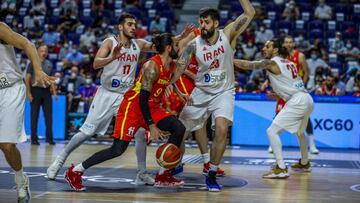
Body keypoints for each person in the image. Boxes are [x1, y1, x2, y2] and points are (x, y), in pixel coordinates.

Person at [64, 33, 187, 191]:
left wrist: (193, 36)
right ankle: (75, 171)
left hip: (152, 107)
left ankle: (163, 175)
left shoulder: (170, 65)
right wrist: (151, 125)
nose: (179, 48)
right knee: (117, 149)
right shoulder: (152, 67)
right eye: (176, 46)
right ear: (169, 48)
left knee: (179, 128)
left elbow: (185, 57)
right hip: (133, 107)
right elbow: (142, 100)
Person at [47, 13, 156, 185]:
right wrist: (113, 56)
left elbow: (160, 47)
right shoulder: (109, 42)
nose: (133, 27)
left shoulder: (138, 44)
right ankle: (60, 159)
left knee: (140, 133)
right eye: (129, 24)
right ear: (120, 27)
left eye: (134, 24)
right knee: (87, 132)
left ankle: (141, 173)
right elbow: (95, 64)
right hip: (107, 94)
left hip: (126, 96)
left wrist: (183, 37)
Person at [176, 0, 255, 192]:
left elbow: (250, 12)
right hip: (201, 91)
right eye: (201, 22)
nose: (202, 25)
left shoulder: (227, 34)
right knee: (179, 131)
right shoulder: (194, 45)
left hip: (224, 92)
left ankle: (211, 173)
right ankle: (172, 165)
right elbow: (180, 66)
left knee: (221, 130)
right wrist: (169, 84)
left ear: (216, 24)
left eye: (207, 22)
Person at [234, 38, 314, 179]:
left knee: (272, 131)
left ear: (275, 50)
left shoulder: (271, 62)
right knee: (300, 133)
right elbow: (292, 83)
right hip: (306, 98)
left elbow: (249, 65)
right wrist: (279, 94)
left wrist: (229, 59)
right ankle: (304, 162)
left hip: (297, 101)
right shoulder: (289, 63)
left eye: (267, 46)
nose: (264, 48)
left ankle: (281, 168)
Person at [0, 22, 54, 203]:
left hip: (10, 89)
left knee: (6, 145)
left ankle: (20, 179)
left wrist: (38, 71)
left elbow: (28, 45)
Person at [269, 36, 319, 154]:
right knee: (277, 114)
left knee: (305, 119)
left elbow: (306, 72)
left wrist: (302, 85)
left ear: (293, 44)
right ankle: (272, 144)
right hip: (285, 90)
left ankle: (312, 145)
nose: (288, 44)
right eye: (286, 42)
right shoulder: (279, 58)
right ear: (283, 44)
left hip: (296, 91)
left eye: (290, 42)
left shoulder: (299, 56)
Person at [26, 42, 57, 145]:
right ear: (38, 52)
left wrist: (54, 91)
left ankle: (50, 138)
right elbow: (28, 78)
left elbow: (51, 79)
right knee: (34, 116)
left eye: (46, 51)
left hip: (46, 92)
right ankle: (34, 139)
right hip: (35, 91)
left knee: (49, 116)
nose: (44, 53)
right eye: (42, 51)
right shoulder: (32, 63)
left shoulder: (49, 64)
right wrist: (28, 92)